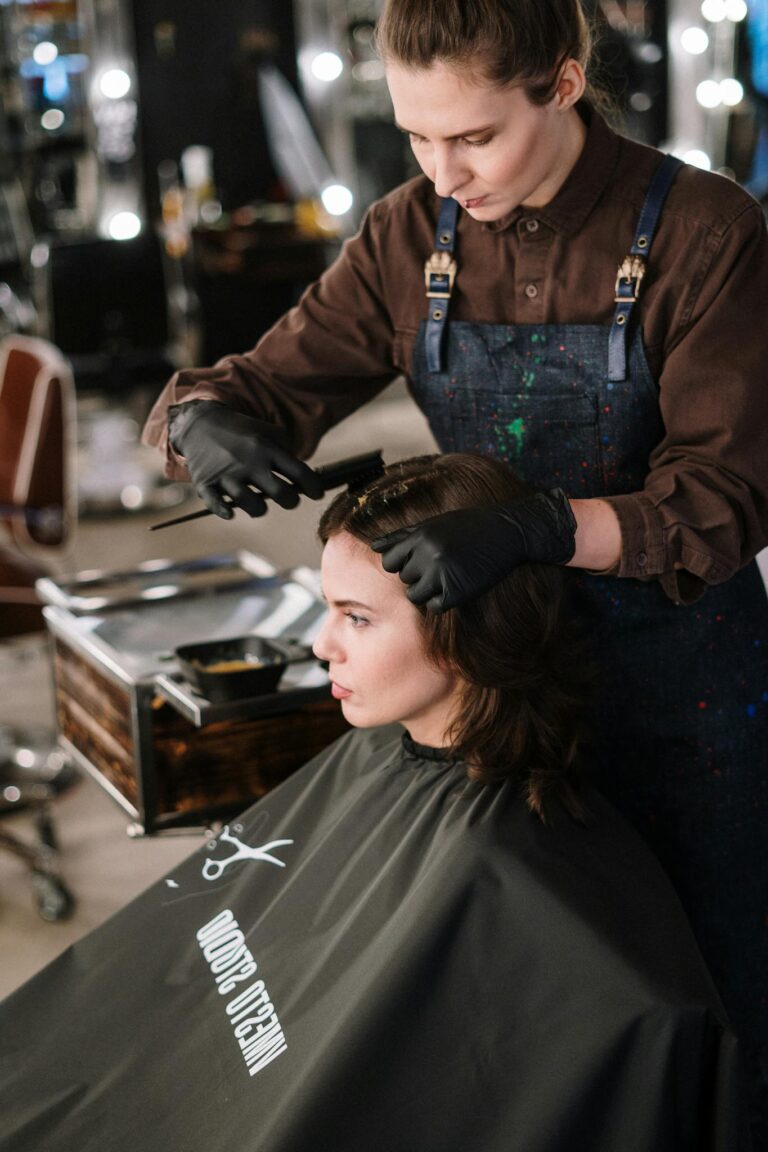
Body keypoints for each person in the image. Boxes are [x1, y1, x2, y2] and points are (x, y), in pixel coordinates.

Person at [142, 1, 768, 1139]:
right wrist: (208, 421)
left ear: (563, 83)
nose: (444, 172)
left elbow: (722, 502)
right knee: (523, 1031)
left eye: (474, 136)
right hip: (499, 697)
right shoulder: (411, 233)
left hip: (682, 697)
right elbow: (264, 383)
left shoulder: (704, 231)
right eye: (417, 138)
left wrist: (541, 527)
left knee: (709, 1012)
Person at [0, 454, 752, 1151]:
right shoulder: (377, 756)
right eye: (329, 609)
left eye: (356, 617)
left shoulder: (525, 886)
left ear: (464, 633)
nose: (321, 645)